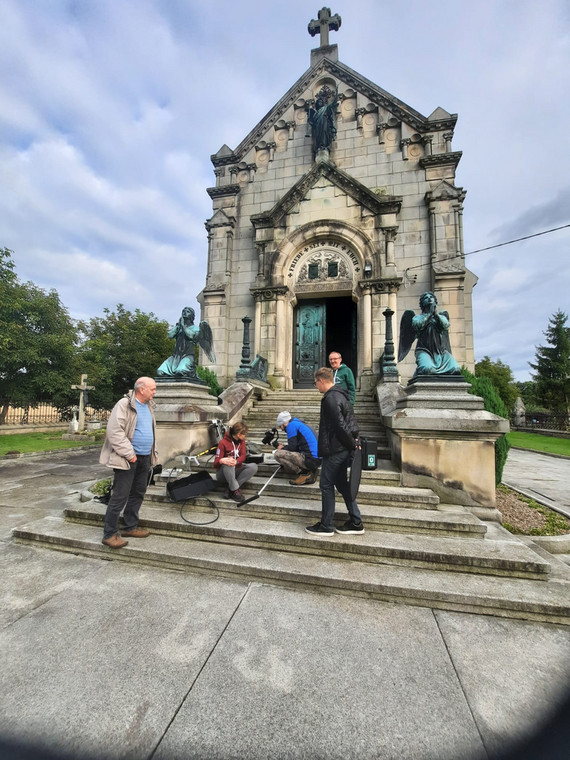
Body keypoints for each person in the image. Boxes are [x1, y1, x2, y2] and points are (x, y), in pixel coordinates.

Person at [99, 376, 158, 549]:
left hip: (144, 457)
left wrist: (152, 453)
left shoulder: (149, 406)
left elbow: (149, 430)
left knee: (138, 492)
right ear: (141, 389)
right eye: (152, 389)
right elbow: (115, 432)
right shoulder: (124, 404)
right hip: (128, 458)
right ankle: (109, 534)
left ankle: (130, 526)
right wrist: (130, 454)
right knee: (120, 496)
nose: (155, 392)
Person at [306, 367, 364, 536]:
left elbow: (340, 426)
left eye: (316, 383)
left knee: (325, 485)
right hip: (341, 448)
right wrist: (352, 443)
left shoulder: (331, 398)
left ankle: (326, 526)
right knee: (343, 486)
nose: (316, 387)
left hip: (335, 450)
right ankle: (356, 521)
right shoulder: (341, 395)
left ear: (321, 381)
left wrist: (351, 444)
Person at [397, 292, 461, 377]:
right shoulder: (417, 318)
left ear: (435, 302)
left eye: (431, 297)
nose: (429, 298)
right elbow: (418, 325)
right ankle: (422, 367)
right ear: (422, 304)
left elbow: (446, 326)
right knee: (427, 369)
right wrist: (429, 314)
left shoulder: (441, 317)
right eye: (426, 298)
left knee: (455, 369)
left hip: (441, 352)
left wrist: (436, 315)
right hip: (424, 351)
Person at [157, 306, 215, 380]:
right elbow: (170, 335)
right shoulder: (179, 327)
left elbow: (190, 336)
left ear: (192, 316)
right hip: (175, 357)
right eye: (183, 311)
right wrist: (178, 326)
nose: (185, 312)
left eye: (188, 311)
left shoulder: (196, 328)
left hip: (188, 356)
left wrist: (183, 326)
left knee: (180, 372)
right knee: (160, 372)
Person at [214, 421, 258, 504]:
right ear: (238, 434)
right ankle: (235, 490)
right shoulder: (223, 443)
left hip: (236, 469)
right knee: (228, 463)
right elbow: (215, 463)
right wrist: (222, 460)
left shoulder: (242, 441)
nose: (245, 436)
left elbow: (243, 456)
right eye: (244, 434)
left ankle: (230, 488)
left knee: (253, 467)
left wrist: (236, 461)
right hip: (223, 474)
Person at [274, 411, 320, 486]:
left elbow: (292, 448)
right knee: (282, 451)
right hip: (316, 459)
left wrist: (281, 448)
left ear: (284, 423)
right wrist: (284, 447)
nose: (281, 429)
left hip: (310, 460)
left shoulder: (291, 426)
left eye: (280, 426)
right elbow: (297, 446)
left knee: (277, 454)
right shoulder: (299, 424)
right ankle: (311, 471)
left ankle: (304, 473)